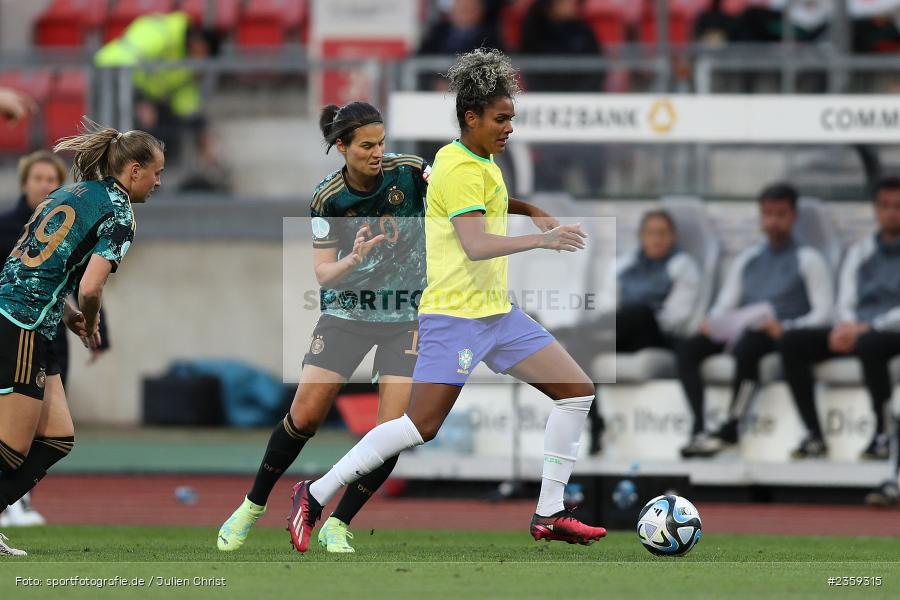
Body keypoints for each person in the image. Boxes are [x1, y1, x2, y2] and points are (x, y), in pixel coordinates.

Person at [287, 48, 606, 554]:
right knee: (417, 427)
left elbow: (488, 208)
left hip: (496, 314)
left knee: (576, 392)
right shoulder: (459, 168)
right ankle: (316, 491)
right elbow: (476, 244)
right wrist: (540, 239)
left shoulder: (481, 163)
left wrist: (531, 210)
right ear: (471, 118)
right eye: (501, 119)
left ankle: (549, 511)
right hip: (456, 317)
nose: (509, 128)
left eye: (512, 119)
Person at [217, 102, 430, 554]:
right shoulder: (327, 198)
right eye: (367, 145)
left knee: (391, 429)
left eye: (382, 142)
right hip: (347, 314)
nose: (379, 152)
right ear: (342, 147)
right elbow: (322, 273)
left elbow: (452, 197)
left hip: (405, 317)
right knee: (305, 416)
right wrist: (353, 258)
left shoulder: (410, 173)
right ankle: (251, 506)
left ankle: (339, 522)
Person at [0, 119, 164, 557]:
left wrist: (69, 313)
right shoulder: (120, 213)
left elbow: (40, 262)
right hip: (21, 321)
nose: (159, 181)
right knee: (13, 447)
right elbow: (91, 286)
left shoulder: (70, 191)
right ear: (133, 171)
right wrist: (89, 320)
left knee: (58, 436)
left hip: (32, 315)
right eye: (155, 173)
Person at [678, 183, 833, 458]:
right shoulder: (748, 259)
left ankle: (731, 426)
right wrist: (712, 321)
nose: (773, 221)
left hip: (779, 334)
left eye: (780, 214)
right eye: (768, 214)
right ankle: (699, 429)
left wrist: (784, 327)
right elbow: (726, 303)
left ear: (793, 216)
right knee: (690, 348)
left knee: (749, 345)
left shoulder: (808, 259)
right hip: (744, 329)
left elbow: (824, 314)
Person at [554, 209, 701, 453]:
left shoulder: (682, 266)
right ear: (641, 236)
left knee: (639, 311)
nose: (657, 239)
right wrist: (612, 326)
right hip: (621, 331)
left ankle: (569, 330)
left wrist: (622, 322)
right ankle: (596, 422)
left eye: (663, 233)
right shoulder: (624, 266)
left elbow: (676, 317)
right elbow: (607, 307)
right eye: (651, 233)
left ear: (672, 237)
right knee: (580, 347)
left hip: (657, 334)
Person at [781, 177, 900, 460]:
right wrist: (846, 326)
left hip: (888, 331)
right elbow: (845, 297)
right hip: (857, 330)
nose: (891, 212)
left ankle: (883, 436)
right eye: (885, 206)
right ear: (875, 209)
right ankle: (813, 434)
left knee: (871, 344)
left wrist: (868, 327)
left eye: (898, 206)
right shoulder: (860, 251)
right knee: (792, 342)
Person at [94, 11, 221, 165]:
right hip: (110, 74)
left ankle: (154, 183)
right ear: (199, 44)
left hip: (139, 92)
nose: (202, 65)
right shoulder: (162, 33)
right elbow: (126, 61)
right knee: (124, 138)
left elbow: (185, 102)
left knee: (168, 134)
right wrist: (139, 101)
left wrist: (201, 130)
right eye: (205, 56)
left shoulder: (187, 62)